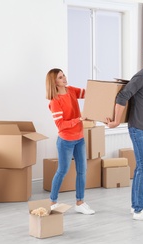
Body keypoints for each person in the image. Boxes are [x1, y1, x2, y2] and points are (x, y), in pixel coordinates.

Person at [106, 47, 143, 221]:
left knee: (142, 167)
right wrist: (116, 121)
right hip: (138, 128)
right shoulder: (140, 77)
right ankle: (139, 210)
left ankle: (137, 205)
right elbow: (122, 96)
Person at [45, 68, 95, 215]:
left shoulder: (71, 90)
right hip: (65, 140)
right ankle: (53, 201)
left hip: (79, 138)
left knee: (82, 170)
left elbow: (88, 93)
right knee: (63, 170)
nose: (64, 78)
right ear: (54, 82)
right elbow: (60, 125)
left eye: (64, 75)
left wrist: (101, 91)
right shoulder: (55, 101)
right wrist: (78, 119)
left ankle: (80, 202)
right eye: (60, 77)